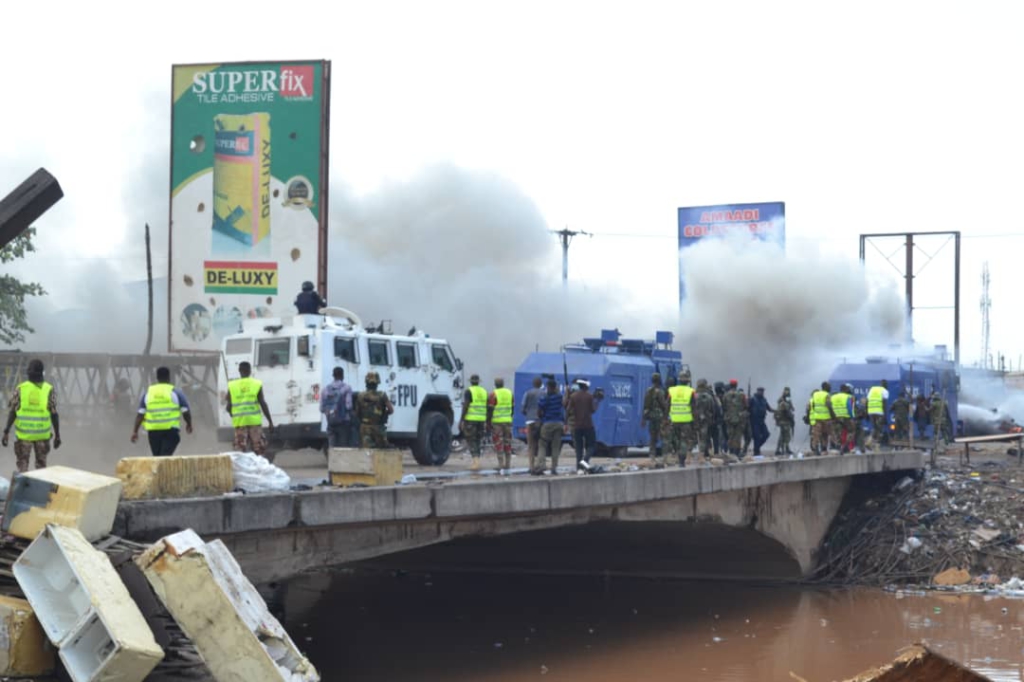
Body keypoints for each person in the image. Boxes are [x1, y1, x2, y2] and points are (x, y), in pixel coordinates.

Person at [2, 359, 61, 472]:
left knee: (22, 468)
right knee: (41, 469)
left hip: (24, 437)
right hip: (42, 437)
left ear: (28, 372)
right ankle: (39, 489)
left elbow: (13, 411)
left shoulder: (21, 389)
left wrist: (6, 431)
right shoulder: (49, 389)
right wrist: (57, 435)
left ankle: (23, 488)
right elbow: (54, 414)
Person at [130, 366, 193, 457]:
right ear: (169, 377)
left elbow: (140, 414)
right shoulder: (175, 392)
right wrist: (189, 424)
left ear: (157, 378)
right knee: (164, 457)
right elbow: (185, 411)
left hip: (153, 432)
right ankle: (163, 470)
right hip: (170, 431)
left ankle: (159, 470)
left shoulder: (148, 393)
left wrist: (135, 431)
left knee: (158, 457)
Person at [225, 361, 274, 454]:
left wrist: (234, 415)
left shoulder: (232, 386)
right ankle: (258, 468)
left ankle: (243, 468)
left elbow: (228, 407)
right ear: (250, 371)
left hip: (240, 423)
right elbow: (263, 403)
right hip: (254, 423)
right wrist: (270, 422)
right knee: (259, 451)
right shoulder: (256, 384)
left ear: (239, 370)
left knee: (240, 453)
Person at [567, 379, 603, 472]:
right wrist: (597, 401)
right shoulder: (589, 396)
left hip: (577, 426)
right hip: (588, 425)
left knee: (578, 448)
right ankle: (585, 460)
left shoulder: (573, 396)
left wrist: (565, 422)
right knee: (592, 445)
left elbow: (568, 410)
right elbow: (592, 410)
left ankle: (579, 468)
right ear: (586, 386)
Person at [355, 371, 393, 447]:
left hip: (365, 428)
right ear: (377, 383)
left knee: (366, 452)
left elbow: (357, 413)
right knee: (381, 451)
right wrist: (384, 413)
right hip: (378, 428)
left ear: (366, 382)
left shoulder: (360, 396)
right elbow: (391, 410)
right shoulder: (382, 395)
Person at [536, 379, 566, 475]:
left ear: (548, 387)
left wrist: (541, 417)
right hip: (559, 424)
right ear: (556, 387)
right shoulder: (559, 397)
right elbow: (564, 403)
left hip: (547, 423)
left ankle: (541, 465)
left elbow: (539, 411)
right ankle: (554, 467)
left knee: (542, 444)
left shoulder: (544, 399)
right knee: (555, 446)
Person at [668, 372, 697, 467]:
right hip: (686, 420)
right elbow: (694, 407)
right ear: (688, 381)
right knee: (684, 440)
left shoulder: (672, 390)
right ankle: (681, 461)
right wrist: (695, 421)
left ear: (679, 380)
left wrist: (666, 418)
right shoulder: (691, 391)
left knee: (676, 440)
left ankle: (676, 455)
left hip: (674, 419)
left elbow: (667, 405)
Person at [460, 374, 488, 471]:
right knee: (478, 440)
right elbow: (487, 407)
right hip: (481, 419)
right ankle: (477, 461)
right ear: (479, 381)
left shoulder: (469, 391)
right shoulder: (484, 391)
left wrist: (461, 420)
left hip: (471, 419)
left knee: (472, 440)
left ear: (471, 381)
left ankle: (476, 463)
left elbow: (466, 406)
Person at [321, 366, 353, 448]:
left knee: (332, 447)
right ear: (342, 375)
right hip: (344, 422)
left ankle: (332, 460)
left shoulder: (325, 390)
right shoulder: (347, 388)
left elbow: (322, 409)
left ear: (333, 375)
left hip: (331, 422)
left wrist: (331, 413)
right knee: (343, 447)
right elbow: (348, 406)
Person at [488, 378, 514, 471]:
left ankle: (500, 464)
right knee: (508, 442)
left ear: (495, 384)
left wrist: (488, 421)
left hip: (497, 422)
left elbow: (490, 409)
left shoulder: (493, 394)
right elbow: (512, 407)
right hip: (507, 421)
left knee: (498, 442)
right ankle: (508, 464)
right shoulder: (509, 393)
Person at [642, 373, 668, 467]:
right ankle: (664, 456)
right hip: (660, 417)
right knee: (664, 437)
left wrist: (644, 419)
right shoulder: (660, 391)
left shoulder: (648, 391)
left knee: (653, 438)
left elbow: (646, 406)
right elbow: (664, 405)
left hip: (651, 417)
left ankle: (652, 456)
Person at [521, 377, 544, 474]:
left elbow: (523, 408)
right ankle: (540, 466)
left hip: (530, 421)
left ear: (533, 384)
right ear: (541, 384)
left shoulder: (528, 393)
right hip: (540, 421)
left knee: (531, 445)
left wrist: (528, 414)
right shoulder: (544, 393)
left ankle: (531, 466)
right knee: (541, 444)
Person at [721, 379, 746, 460]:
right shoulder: (742, 395)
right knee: (738, 436)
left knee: (730, 436)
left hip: (729, 418)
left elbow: (724, 406)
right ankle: (737, 453)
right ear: (736, 385)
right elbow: (745, 406)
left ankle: (731, 452)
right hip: (739, 418)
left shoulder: (725, 395)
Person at [810, 381, 834, 456]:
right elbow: (829, 405)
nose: (830, 388)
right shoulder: (827, 395)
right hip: (826, 418)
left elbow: (813, 405)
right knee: (826, 434)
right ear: (826, 387)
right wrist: (833, 415)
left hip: (817, 418)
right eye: (829, 386)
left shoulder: (815, 394)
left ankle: (816, 449)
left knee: (817, 434)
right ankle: (824, 448)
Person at [748, 387, 773, 457]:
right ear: (757, 391)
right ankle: (756, 452)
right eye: (760, 391)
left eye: (762, 391)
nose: (761, 392)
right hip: (754, 421)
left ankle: (757, 448)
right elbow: (747, 408)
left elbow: (769, 408)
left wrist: (776, 411)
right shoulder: (752, 399)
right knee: (756, 437)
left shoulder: (764, 400)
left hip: (762, 421)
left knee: (766, 434)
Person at [696, 378, 716, 461]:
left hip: (695, 420)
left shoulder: (694, 395)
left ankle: (689, 457)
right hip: (705, 420)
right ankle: (702, 455)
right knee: (704, 438)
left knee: (696, 437)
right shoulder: (708, 396)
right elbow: (713, 409)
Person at [830, 384, 854, 454]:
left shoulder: (833, 397)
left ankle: (838, 446)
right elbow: (850, 408)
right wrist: (852, 417)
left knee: (838, 432)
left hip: (836, 417)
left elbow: (830, 407)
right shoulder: (849, 397)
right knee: (851, 431)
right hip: (846, 417)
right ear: (846, 390)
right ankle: (845, 446)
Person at [867, 379, 889, 449]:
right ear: (885, 385)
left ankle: (870, 441)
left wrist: (867, 412)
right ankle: (876, 445)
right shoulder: (884, 391)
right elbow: (884, 403)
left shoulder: (872, 389)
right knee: (879, 429)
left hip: (871, 411)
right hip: (879, 412)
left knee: (875, 427)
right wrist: (885, 415)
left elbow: (867, 401)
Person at [662, 376, 679, 465]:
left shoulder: (666, 392)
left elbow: (665, 406)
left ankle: (667, 457)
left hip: (669, 417)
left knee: (668, 438)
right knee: (675, 437)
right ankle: (676, 454)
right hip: (677, 417)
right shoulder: (676, 392)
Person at [774, 387, 794, 456]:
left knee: (785, 435)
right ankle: (779, 450)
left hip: (786, 420)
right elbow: (784, 411)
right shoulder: (782, 400)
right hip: (783, 420)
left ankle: (786, 449)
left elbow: (791, 408)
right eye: (786, 391)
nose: (788, 393)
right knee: (783, 436)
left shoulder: (787, 400)